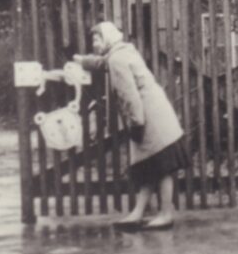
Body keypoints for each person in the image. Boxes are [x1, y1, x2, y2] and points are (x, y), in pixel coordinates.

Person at [74, 21, 189, 230]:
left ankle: (165, 214)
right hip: (155, 113)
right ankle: (138, 213)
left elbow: (129, 95)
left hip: (148, 117)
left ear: (107, 38)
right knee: (149, 166)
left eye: (97, 39)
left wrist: (136, 123)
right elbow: (104, 63)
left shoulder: (117, 59)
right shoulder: (122, 51)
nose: (94, 43)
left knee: (161, 167)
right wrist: (84, 61)